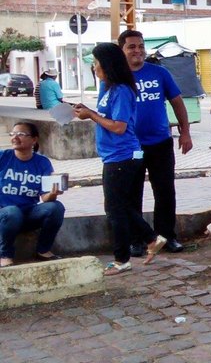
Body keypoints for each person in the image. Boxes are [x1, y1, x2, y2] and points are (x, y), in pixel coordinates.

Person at [74, 43, 166, 276]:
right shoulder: (109, 88)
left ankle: (122, 258)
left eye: (96, 63)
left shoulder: (123, 91)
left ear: (108, 65)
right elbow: (107, 118)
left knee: (115, 210)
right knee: (119, 206)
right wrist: (87, 112)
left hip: (122, 156)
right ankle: (151, 239)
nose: (94, 68)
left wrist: (91, 115)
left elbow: (119, 127)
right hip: (114, 156)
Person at [119, 29, 190, 255]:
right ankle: (136, 240)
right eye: (132, 46)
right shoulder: (116, 77)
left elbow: (177, 102)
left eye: (140, 46)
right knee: (132, 194)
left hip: (160, 143)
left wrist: (185, 132)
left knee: (165, 191)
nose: (137, 50)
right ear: (122, 50)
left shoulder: (160, 73)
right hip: (130, 146)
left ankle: (167, 237)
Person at [0, 122, 65, 267]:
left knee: (56, 207)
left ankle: (43, 250)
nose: (15, 137)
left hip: (28, 213)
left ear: (34, 140)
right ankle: (5, 254)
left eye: (21, 134)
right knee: (12, 211)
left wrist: (53, 193)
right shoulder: (3, 157)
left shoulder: (42, 162)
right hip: (5, 214)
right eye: (13, 134)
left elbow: (44, 197)